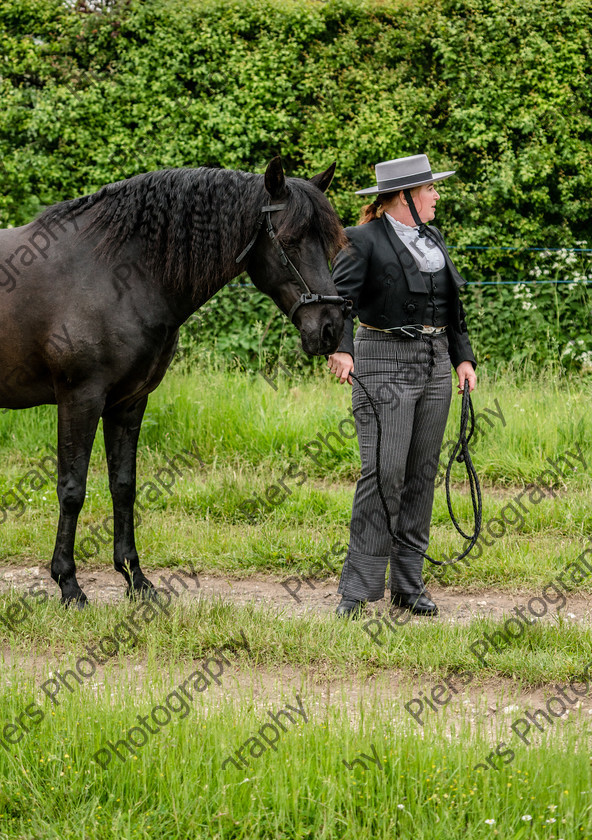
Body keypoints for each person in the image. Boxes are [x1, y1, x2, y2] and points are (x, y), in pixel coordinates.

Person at [328, 154, 477, 619]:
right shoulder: (361, 240)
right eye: (430, 189)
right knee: (383, 472)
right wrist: (341, 347)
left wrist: (463, 356)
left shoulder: (433, 238)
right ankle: (357, 589)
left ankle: (408, 585)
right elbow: (338, 301)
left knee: (421, 474)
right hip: (382, 361)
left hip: (434, 364)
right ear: (405, 197)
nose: (436, 196)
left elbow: (451, 304)